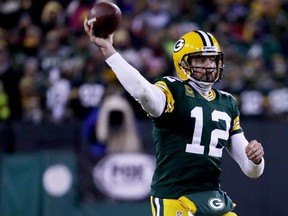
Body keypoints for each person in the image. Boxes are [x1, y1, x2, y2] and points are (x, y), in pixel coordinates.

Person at [84, 19, 265, 216]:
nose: (209, 65)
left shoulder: (227, 102)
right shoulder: (173, 89)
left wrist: (256, 159)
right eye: (200, 60)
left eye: (212, 59)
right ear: (183, 64)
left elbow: (251, 170)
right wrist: (110, 52)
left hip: (210, 198)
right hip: (174, 198)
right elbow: (143, 92)